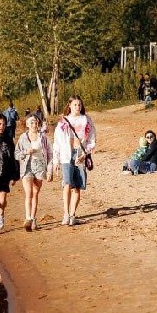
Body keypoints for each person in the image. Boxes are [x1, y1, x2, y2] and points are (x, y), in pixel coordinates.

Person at [52, 95, 96, 226]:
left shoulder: (87, 120)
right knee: (67, 184)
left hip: (80, 154)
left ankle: (72, 215)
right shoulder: (63, 122)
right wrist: (56, 161)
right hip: (66, 154)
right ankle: (66, 214)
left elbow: (92, 139)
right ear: (69, 105)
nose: (78, 107)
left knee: (77, 186)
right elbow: (57, 142)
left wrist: (85, 153)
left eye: (79, 105)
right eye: (75, 105)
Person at [15, 112, 53, 231]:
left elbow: (50, 154)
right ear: (27, 124)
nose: (34, 124)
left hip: (40, 166)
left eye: (35, 122)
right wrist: (26, 152)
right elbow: (16, 154)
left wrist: (50, 169)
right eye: (31, 122)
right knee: (29, 193)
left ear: (38, 124)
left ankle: (33, 218)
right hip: (27, 166)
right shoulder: (23, 138)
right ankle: (28, 219)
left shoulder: (43, 138)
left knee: (36, 193)